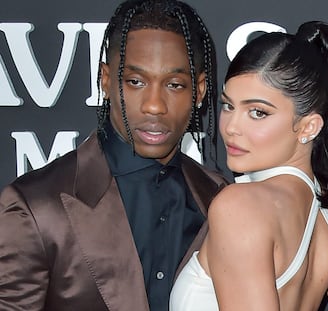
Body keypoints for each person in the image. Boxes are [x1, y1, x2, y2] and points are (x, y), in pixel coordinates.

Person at [0, 1, 228, 310]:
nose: (154, 106)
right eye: (135, 82)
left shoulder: (219, 200)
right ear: (107, 80)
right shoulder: (36, 207)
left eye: (174, 85)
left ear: (199, 91)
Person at [170, 21, 328, 310]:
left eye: (258, 112)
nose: (232, 127)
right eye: (228, 105)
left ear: (309, 126)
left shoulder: (239, 207)